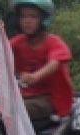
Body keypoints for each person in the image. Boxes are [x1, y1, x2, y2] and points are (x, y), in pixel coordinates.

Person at [10, 0, 73, 128]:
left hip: (48, 98)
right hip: (22, 95)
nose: (27, 21)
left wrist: (35, 77)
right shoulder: (16, 42)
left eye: (33, 16)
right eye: (23, 16)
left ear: (44, 19)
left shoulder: (54, 42)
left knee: (13, 109)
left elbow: (54, 64)